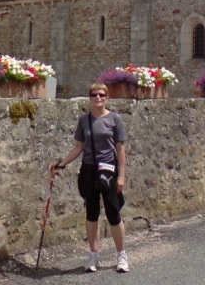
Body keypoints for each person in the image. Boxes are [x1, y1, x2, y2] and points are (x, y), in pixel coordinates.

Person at [49, 82, 129, 273]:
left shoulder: (114, 119)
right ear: (90, 98)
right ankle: (94, 255)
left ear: (107, 98)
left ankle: (121, 255)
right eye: (94, 95)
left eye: (102, 94)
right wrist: (62, 163)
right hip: (89, 170)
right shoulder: (84, 120)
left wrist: (121, 175)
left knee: (113, 214)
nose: (98, 97)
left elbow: (120, 149)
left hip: (108, 171)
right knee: (91, 214)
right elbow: (78, 147)